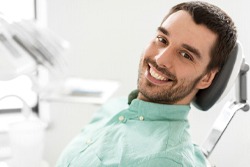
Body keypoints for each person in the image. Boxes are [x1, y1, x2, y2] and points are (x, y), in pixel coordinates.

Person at [56, 1, 237, 167]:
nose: (160, 58)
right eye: (162, 40)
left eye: (185, 55)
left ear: (206, 78)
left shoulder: (167, 160)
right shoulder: (114, 108)